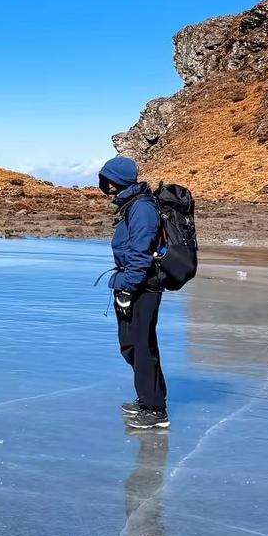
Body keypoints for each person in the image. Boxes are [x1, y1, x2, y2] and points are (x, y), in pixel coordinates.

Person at [98, 155, 168, 429]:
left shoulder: (141, 209)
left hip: (142, 286)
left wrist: (127, 289)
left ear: (115, 181)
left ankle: (155, 410)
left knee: (139, 346)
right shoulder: (133, 205)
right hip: (135, 283)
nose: (104, 184)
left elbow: (140, 254)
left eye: (107, 179)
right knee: (133, 345)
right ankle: (149, 399)